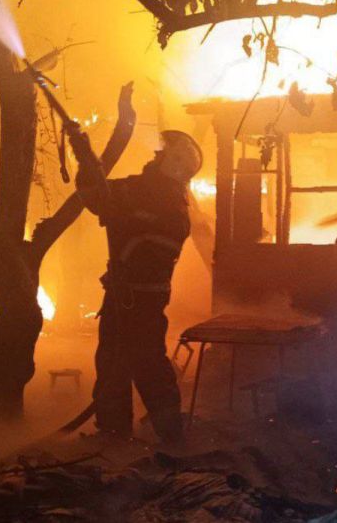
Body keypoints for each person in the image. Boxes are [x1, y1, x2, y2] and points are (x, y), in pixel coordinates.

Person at [65, 96, 202, 443]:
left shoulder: (172, 205)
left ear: (176, 165)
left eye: (163, 154)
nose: (155, 156)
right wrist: (84, 156)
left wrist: (126, 220)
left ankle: (171, 434)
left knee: (147, 362)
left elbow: (155, 244)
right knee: (111, 361)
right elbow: (95, 195)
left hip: (142, 297)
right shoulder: (140, 188)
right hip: (121, 292)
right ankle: (113, 431)